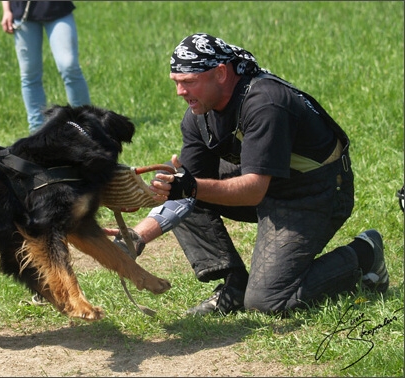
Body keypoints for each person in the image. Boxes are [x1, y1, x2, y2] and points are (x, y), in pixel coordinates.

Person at [111, 33, 389, 316]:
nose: (180, 92)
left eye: (189, 81)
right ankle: (235, 285)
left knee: (269, 302)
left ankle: (365, 254)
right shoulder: (198, 114)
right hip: (271, 183)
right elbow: (186, 189)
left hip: (318, 191)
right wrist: (136, 236)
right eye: (176, 82)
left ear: (220, 73)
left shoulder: (266, 102)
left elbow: (253, 189)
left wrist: (190, 186)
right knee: (184, 186)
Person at [1, 1, 91, 134]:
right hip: (23, 11)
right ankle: (37, 131)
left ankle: (85, 125)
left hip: (57, 8)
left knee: (69, 66)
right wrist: (7, 10)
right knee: (29, 75)